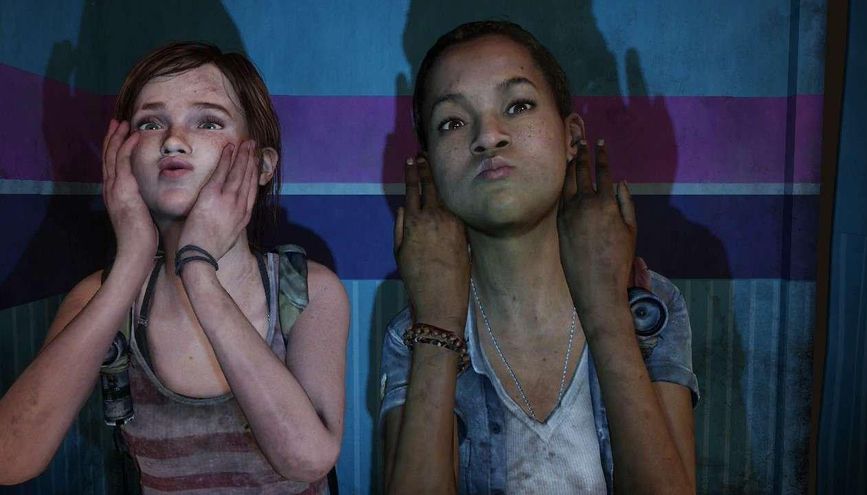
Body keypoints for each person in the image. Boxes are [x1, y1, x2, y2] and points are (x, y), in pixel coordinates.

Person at [0, 42, 349, 494]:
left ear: (262, 165)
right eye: (150, 123)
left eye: (208, 121)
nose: (172, 140)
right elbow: (10, 459)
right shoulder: (100, 296)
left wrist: (198, 269)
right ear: (124, 157)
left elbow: (306, 459)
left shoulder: (306, 290)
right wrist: (131, 262)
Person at [381, 21, 698, 494]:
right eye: (453, 122)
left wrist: (607, 308)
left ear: (572, 136)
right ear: (428, 166)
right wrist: (438, 327)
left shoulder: (648, 305)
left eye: (518, 106)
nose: (488, 136)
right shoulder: (414, 331)